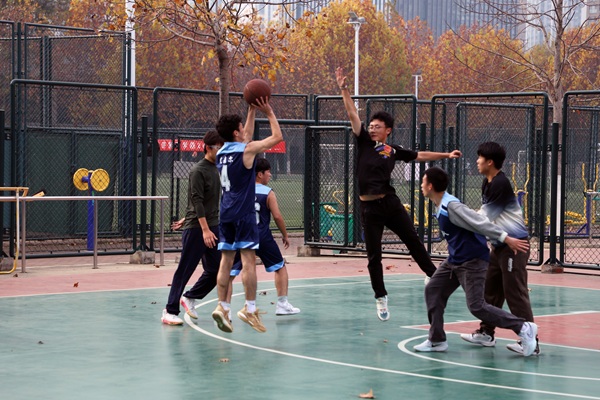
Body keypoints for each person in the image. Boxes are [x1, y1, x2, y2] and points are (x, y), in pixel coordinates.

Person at [335, 67, 462, 322]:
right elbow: (351, 113)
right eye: (371, 125)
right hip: (369, 208)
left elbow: (420, 155)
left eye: (377, 126)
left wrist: (446, 155)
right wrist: (344, 89)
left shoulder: (392, 150)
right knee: (374, 256)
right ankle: (380, 297)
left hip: (390, 204)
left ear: (388, 130)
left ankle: (432, 275)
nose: (372, 129)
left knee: (413, 240)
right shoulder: (363, 141)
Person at [415, 166, 538, 357]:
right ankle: (437, 340)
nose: (421, 185)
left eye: (423, 181)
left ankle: (523, 327)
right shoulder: (441, 205)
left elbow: (480, 223)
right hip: (455, 260)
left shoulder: (451, 207)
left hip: (472, 261)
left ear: (430, 186)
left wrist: (505, 238)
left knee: (477, 305)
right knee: (433, 290)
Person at [211, 97, 283, 333]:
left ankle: (222, 307)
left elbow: (246, 138)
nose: (244, 130)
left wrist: (251, 111)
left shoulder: (221, 152)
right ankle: (249, 308)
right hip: (244, 214)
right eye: (241, 127)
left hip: (226, 213)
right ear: (235, 132)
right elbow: (277, 137)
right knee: (249, 262)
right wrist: (268, 112)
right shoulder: (248, 151)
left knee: (225, 261)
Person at [460, 142, 540, 355]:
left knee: (515, 293)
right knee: (490, 291)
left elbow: (484, 218)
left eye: (479, 158)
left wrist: (459, 217)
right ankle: (486, 333)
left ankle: (531, 342)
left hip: (514, 247)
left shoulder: (500, 184)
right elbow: (484, 215)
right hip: (499, 246)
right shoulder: (488, 183)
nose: (477, 161)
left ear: (490, 162)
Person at [161, 130, 224, 325]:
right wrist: (204, 229)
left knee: (217, 269)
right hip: (198, 229)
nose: (221, 151)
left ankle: (190, 297)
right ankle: (169, 310)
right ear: (208, 148)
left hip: (213, 226)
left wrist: (190, 217)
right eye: (219, 148)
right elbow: (196, 200)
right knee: (184, 270)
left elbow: (208, 201)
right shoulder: (198, 170)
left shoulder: (217, 169)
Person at [227, 158, 300, 316]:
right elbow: (277, 216)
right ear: (260, 174)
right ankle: (282, 304)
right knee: (280, 267)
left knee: (230, 273)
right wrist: (285, 235)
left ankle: (225, 310)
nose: (270, 175)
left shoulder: (240, 190)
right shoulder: (268, 192)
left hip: (243, 236)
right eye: (268, 172)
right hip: (262, 236)